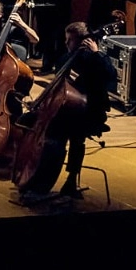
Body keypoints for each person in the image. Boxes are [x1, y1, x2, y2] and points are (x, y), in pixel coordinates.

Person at [18, 21, 117, 201]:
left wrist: (97, 53)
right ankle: (31, 177)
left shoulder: (94, 59)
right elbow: (58, 87)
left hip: (88, 111)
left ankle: (45, 187)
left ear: (81, 41)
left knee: (55, 140)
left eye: (69, 40)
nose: (66, 44)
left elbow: (111, 76)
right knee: (31, 122)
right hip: (66, 111)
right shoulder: (66, 59)